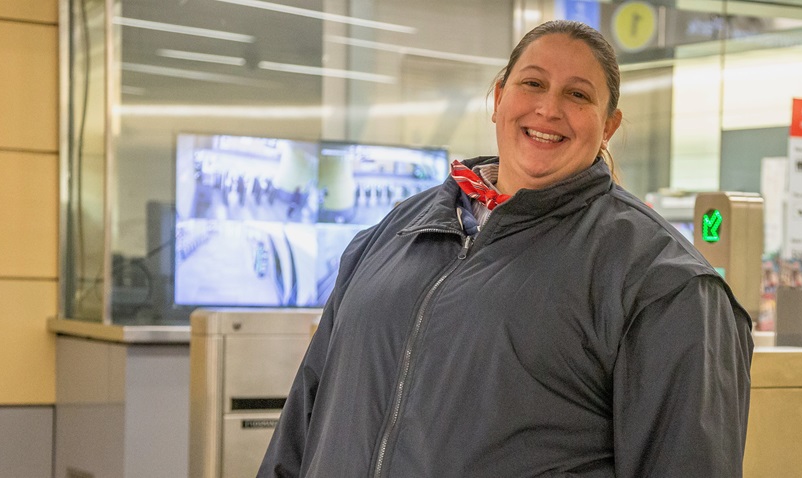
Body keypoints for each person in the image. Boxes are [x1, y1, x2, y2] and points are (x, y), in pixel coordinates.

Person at [259, 20, 753, 477]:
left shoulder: (661, 282)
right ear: (498, 98)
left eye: (577, 95)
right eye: (532, 83)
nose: (549, 108)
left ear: (608, 127)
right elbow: (302, 426)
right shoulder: (394, 235)